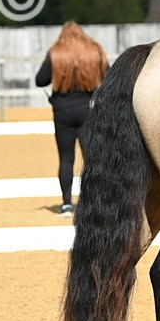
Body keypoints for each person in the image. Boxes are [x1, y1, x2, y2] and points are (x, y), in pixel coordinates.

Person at [36, 22, 107, 212]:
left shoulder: (57, 52)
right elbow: (108, 77)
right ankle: (93, 202)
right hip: (88, 110)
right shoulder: (94, 51)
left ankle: (67, 203)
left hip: (62, 111)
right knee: (91, 159)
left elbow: (40, 80)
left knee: (66, 158)